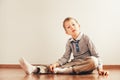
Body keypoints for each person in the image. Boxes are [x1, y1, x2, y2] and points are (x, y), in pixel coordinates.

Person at [19, 17, 108, 75]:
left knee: (94, 61)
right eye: (68, 27)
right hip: (75, 63)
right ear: (66, 32)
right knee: (54, 67)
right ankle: (34, 69)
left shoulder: (86, 38)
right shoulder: (69, 42)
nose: (72, 27)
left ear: (79, 26)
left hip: (86, 64)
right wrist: (55, 64)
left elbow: (96, 55)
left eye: (73, 24)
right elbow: (65, 57)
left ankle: (65, 71)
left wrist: (100, 69)